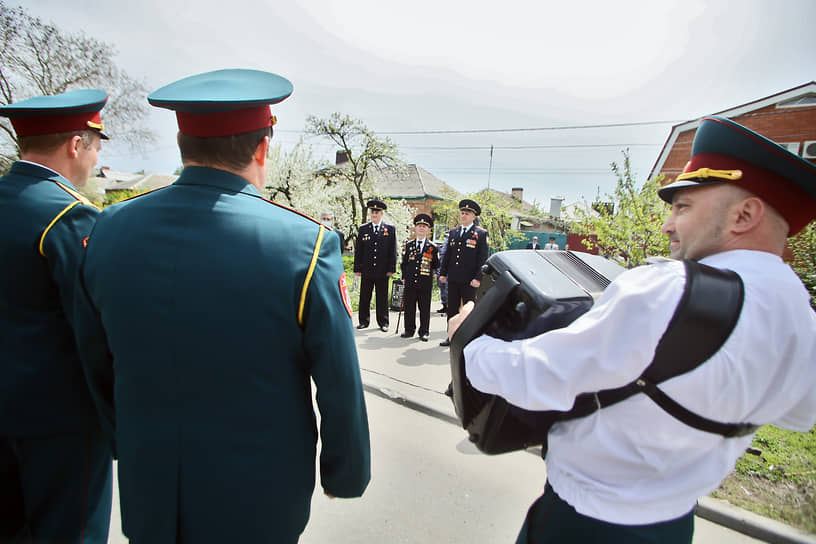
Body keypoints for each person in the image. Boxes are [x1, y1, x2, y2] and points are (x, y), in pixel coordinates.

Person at [449, 116, 816, 543]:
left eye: (684, 208)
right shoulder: (800, 317)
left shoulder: (668, 290)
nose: (667, 225)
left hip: (587, 524)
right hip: (674, 525)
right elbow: (799, 415)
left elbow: (539, 375)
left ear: (744, 214)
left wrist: (469, 341)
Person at [73, 69, 371, 543]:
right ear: (262, 147)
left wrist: (123, 437)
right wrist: (344, 471)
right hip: (258, 495)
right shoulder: (306, 243)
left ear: (180, 143)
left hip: (150, 480)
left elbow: (94, 355)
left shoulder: (109, 228)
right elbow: (338, 378)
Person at [0, 90, 113, 542]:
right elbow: (93, 328)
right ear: (75, 144)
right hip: (59, 420)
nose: (96, 156)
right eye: (96, 144)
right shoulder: (69, 216)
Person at [438, 199, 489, 347]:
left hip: (469, 279)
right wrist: (443, 273)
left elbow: (482, 258)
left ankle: (468, 337)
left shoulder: (480, 234)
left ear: (474, 216)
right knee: (452, 307)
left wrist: (478, 277)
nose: (464, 215)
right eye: (462, 213)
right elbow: (448, 255)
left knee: (468, 308)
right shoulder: (454, 232)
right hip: (454, 277)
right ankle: (450, 335)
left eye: (467, 213)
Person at [354, 199, 398, 332]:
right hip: (367, 269)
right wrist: (357, 268)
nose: (374, 215)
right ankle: (363, 321)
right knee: (365, 296)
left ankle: (383, 322)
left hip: (382, 270)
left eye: (377, 212)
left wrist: (391, 268)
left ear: (381, 214)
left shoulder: (389, 229)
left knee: (382, 297)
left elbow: (392, 250)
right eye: (372, 212)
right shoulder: (363, 229)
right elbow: (359, 250)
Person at [400, 213, 440, 341]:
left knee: (424, 308)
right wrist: (404, 277)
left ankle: (424, 331)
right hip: (410, 281)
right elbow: (404, 264)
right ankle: (409, 330)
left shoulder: (433, 248)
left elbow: (436, 264)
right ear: (415, 228)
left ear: (428, 230)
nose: (421, 228)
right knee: (409, 307)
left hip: (425, 282)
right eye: (419, 226)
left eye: (424, 226)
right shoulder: (409, 246)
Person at [435, 231, 449, 313]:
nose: (446, 238)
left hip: (449, 272)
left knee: (448, 290)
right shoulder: (441, 248)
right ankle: (444, 305)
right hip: (440, 271)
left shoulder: (452, 247)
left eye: (447, 237)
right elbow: (438, 261)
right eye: (445, 237)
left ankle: (449, 306)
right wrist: (436, 272)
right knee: (442, 289)